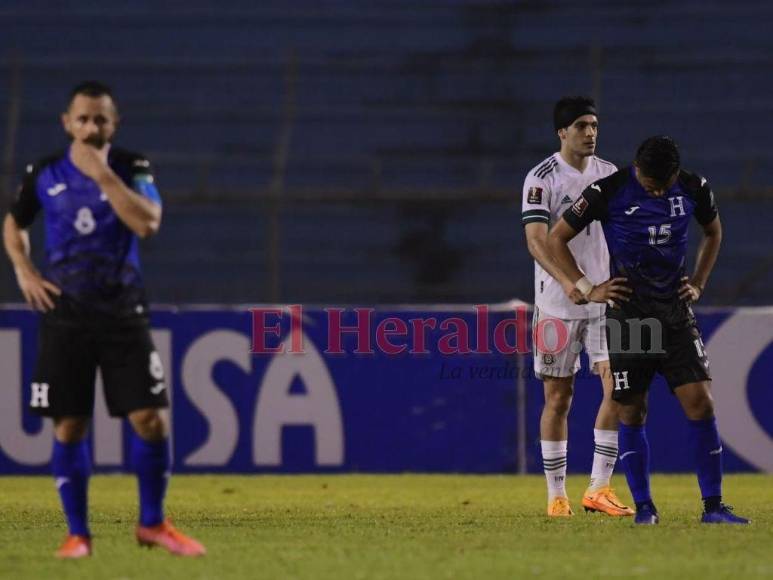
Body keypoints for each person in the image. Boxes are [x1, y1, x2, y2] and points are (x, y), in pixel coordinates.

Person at [2, 81, 207, 557]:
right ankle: (78, 535)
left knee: (151, 419)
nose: (92, 127)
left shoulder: (132, 168)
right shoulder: (44, 172)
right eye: (84, 119)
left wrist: (103, 178)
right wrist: (24, 271)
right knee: (69, 426)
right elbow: (14, 222)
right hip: (66, 314)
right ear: (67, 123)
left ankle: (152, 524)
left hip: (121, 313)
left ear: (115, 124)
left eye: (101, 120)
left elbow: (147, 223)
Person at [547, 135, 749, 525]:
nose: (654, 189)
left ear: (675, 173)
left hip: (675, 315)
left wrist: (699, 282)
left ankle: (713, 507)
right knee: (632, 410)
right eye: (647, 180)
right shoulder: (609, 189)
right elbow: (557, 238)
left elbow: (714, 231)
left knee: (701, 401)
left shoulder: (694, 187)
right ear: (636, 167)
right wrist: (589, 287)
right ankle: (645, 508)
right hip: (631, 317)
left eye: (661, 183)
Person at [522, 96, 633, 517]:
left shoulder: (610, 175)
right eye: (582, 126)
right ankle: (556, 495)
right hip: (557, 304)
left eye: (595, 126)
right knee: (559, 397)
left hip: (605, 301)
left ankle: (599, 489)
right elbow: (536, 241)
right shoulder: (541, 178)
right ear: (562, 132)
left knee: (618, 389)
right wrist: (574, 283)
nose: (590, 133)